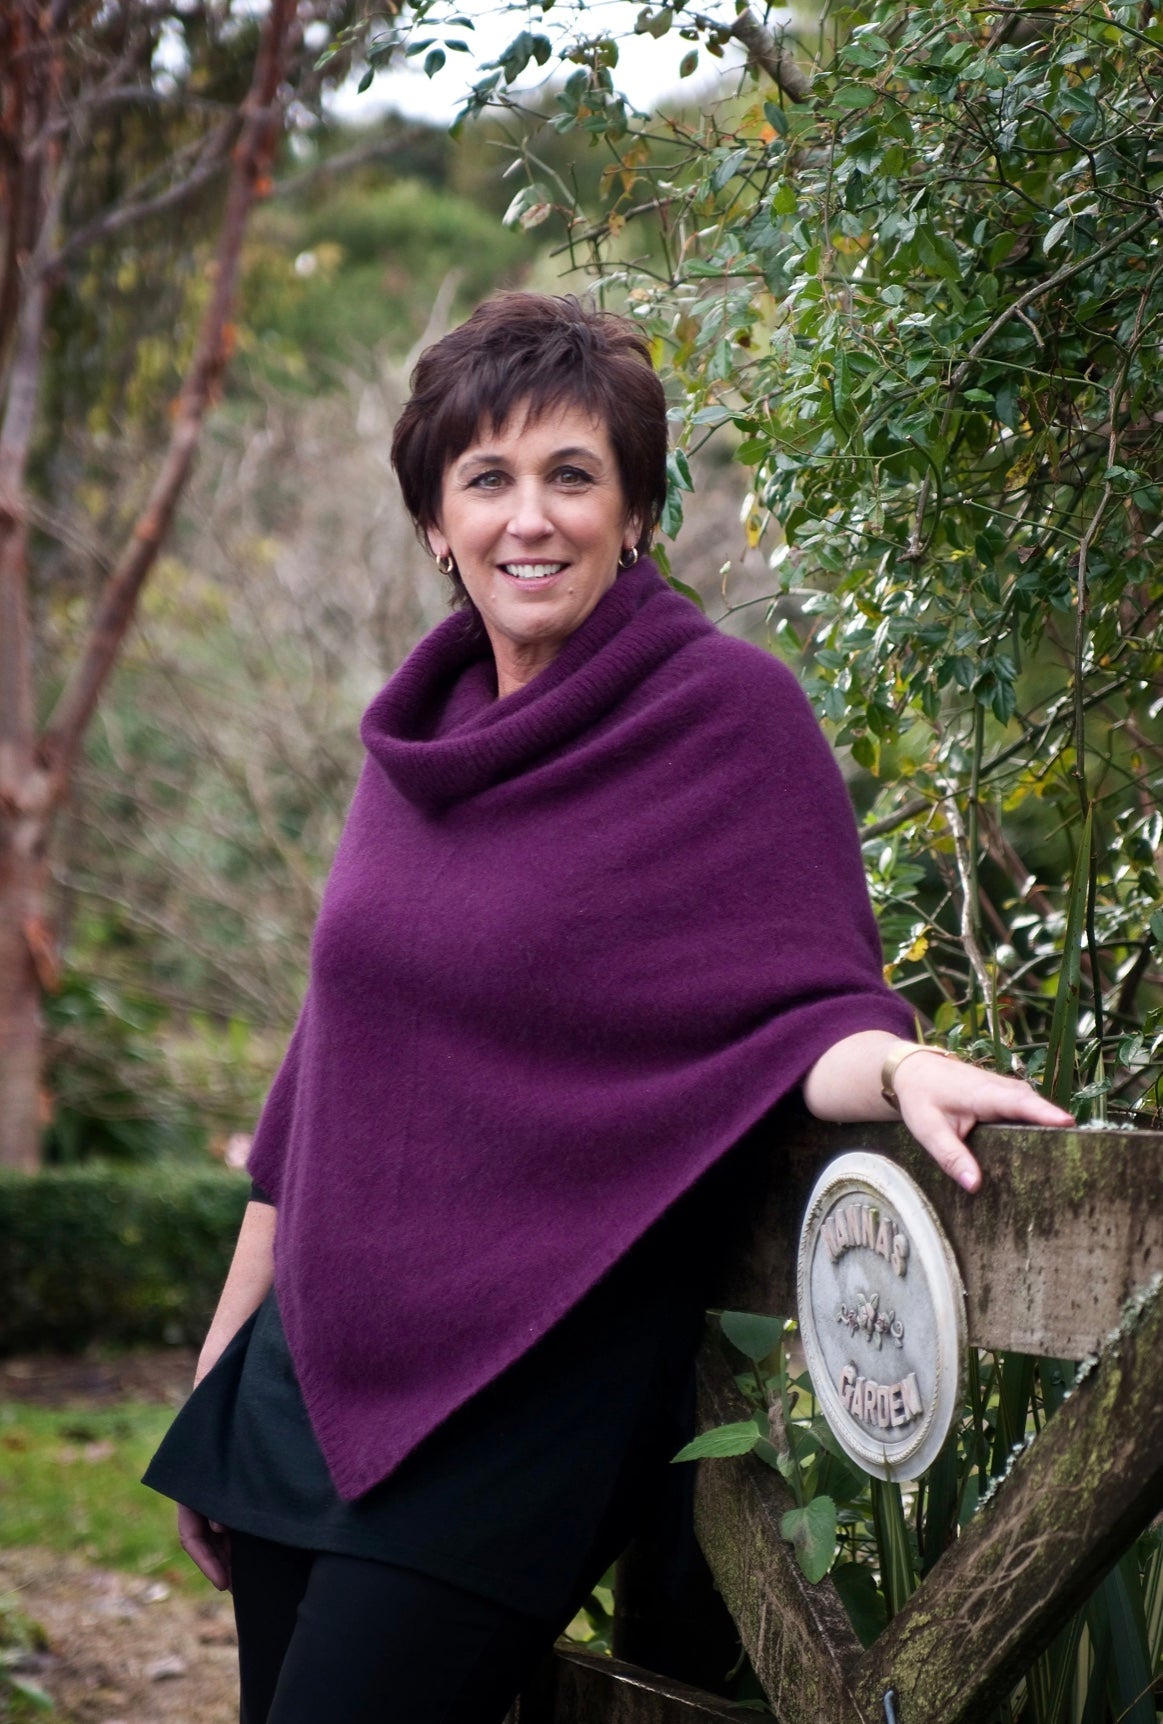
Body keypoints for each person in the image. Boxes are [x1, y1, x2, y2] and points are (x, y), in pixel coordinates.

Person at [144, 293, 1072, 1724]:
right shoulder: (424, 734)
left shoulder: (727, 717)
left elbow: (802, 1012)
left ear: (636, 511)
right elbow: (328, 1066)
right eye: (488, 480)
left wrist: (899, 1073)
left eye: (572, 475)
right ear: (437, 524)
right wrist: (226, 1361)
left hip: (521, 1395)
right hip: (305, 1378)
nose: (531, 518)